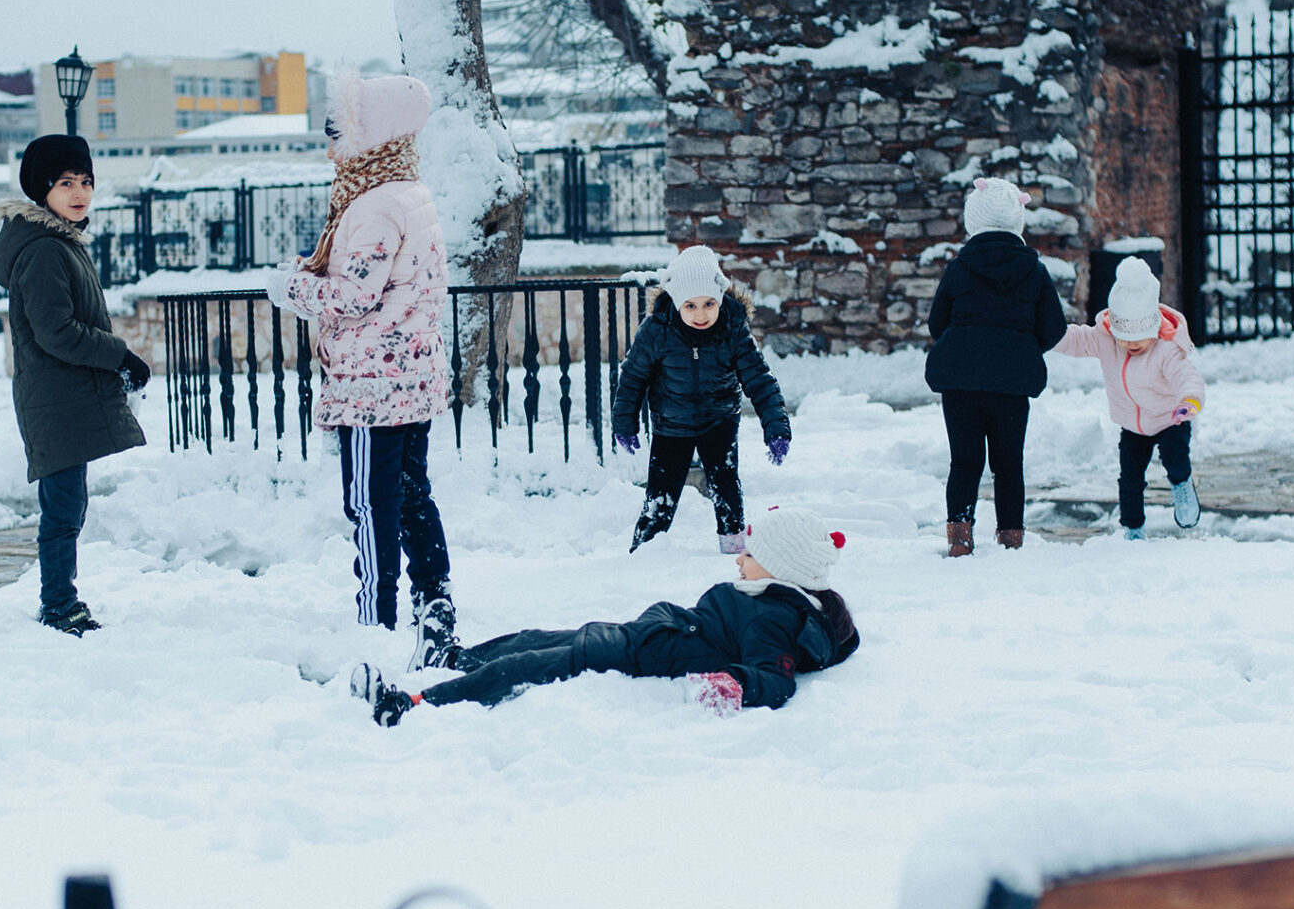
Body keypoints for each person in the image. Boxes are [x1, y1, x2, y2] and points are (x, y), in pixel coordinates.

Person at [271, 71, 456, 669]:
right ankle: (436, 601)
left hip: (372, 383)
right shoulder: (409, 191)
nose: (330, 150)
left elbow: (354, 296)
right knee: (410, 495)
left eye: (336, 136)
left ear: (367, 137)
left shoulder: (372, 204)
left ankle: (375, 619)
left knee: (370, 504)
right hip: (410, 375)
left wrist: (292, 286)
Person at [365, 506, 859, 725]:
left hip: (641, 654)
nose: (739, 559)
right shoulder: (769, 599)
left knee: (524, 667)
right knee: (531, 639)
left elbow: (777, 680)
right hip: (642, 636)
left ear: (782, 568)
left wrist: (734, 683)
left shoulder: (772, 619)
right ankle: (452, 658)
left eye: (750, 553)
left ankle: (417, 702)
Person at [0, 134, 150, 636]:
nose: (79, 192)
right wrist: (117, 354)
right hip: (55, 398)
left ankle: (61, 598)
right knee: (62, 509)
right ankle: (58, 603)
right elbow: (54, 331)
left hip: (63, 395)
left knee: (69, 504)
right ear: (43, 190)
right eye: (65, 183)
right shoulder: (44, 251)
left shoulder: (60, 243)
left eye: (85, 182)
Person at [609, 245, 793, 554]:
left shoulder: (733, 330)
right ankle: (643, 553)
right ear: (678, 303)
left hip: (719, 420)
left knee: (726, 487)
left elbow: (760, 380)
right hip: (671, 425)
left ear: (720, 298)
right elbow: (632, 379)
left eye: (709, 303)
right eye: (690, 306)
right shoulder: (656, 331)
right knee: (660, 496)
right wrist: (624, 424)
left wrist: (776, 427)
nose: (701, 314)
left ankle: (733, 548)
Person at [921, 178, 1067, 556]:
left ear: (974, 221)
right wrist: (1020, 347)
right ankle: (1011, 538)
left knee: (965, 461)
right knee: (1008, 464)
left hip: (960, 380)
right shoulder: (1034, 271)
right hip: (1012, 383)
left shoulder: (959, 268)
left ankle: (959, 538)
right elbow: (1053, 327)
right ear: (1017, 221)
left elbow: (938, 323)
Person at [1055, 255, 1207, 540]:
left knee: (1175, 459)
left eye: (1141, 336)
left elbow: (1187, 377)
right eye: (1125, 337)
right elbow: (1076, 340)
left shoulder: (1166, 348)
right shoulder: (1106, 339)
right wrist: (1049, 334)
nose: (1132, 344)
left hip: (1171, 418)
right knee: (1130, 480)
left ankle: (1182, 485)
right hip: (1133, 425)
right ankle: (1133, 528)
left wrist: (1189, 401)